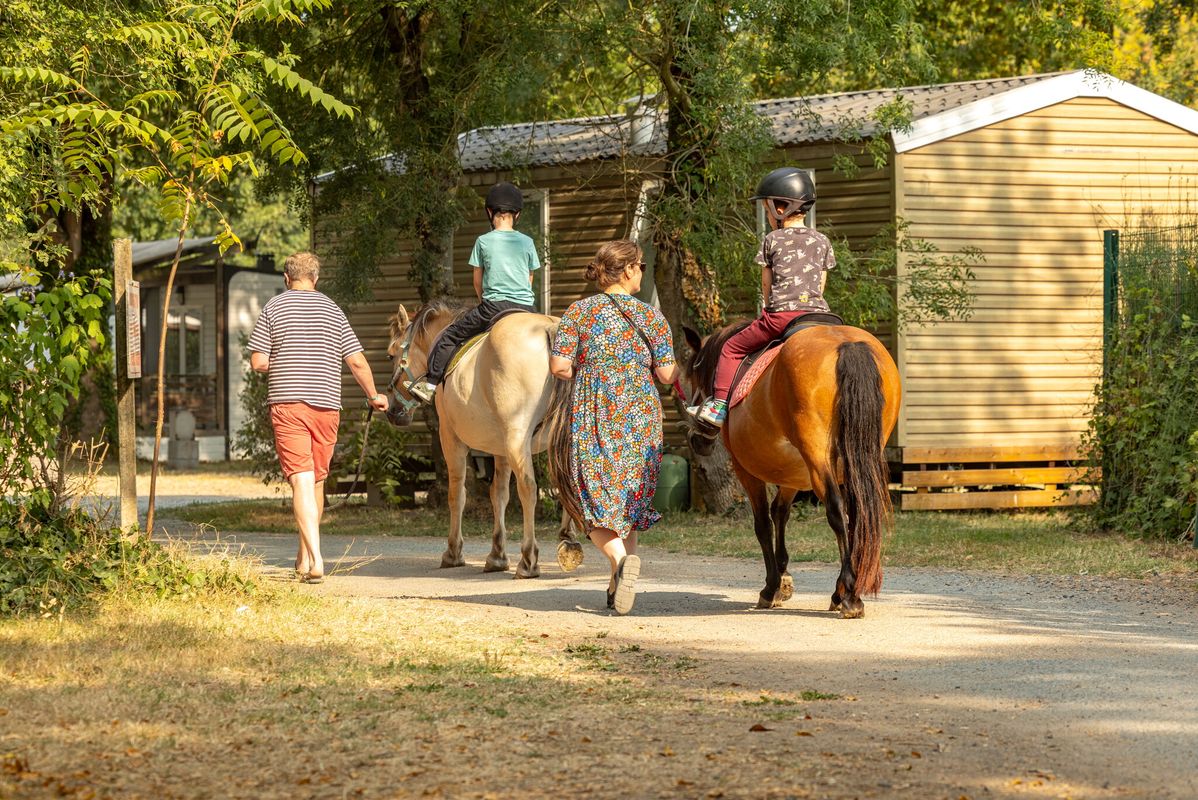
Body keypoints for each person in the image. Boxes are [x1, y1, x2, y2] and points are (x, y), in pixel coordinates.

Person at [548, 240, 678, 615]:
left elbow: (559, 367)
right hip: (642, 415)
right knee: (628, 500)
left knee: (592, 496)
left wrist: (585, 370)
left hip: (596, 410)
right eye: (639, 266)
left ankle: (621, 564)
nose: (642, 273)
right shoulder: (651, 317)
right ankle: (617, 581)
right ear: (628, 270)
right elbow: (667, 376)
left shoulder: (579, 312)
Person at [248, 251, 389, 583]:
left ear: (286, 278)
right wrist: (374, 396)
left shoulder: (273, 307)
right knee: (315, 481)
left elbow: (258, 361)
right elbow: (355, 361)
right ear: (316, 278)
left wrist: (282, 359)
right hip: (326, 405)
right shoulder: (332, 310)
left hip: (288, 404)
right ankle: (303, 557)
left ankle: (315, 558)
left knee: (300, 479)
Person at [691, 166, 836, 427]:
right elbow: (822, 282)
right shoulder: (821, 240)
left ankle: (718, 407)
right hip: (820, 316)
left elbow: (767, 283)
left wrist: (769, 308)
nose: (767, 214)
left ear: (781, 209)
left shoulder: (772, 239)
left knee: (731, 348)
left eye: (767, 208)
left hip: (781, 317)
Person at [406, 181, 540, 402]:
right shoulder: (527, 242)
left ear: (490, 212)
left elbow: (478, 281)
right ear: (517, 215)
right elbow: (529, 278)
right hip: (526, 308)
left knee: (448, 337)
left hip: (493, 306)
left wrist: (484, 302)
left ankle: (430, 384)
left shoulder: (483, 241)